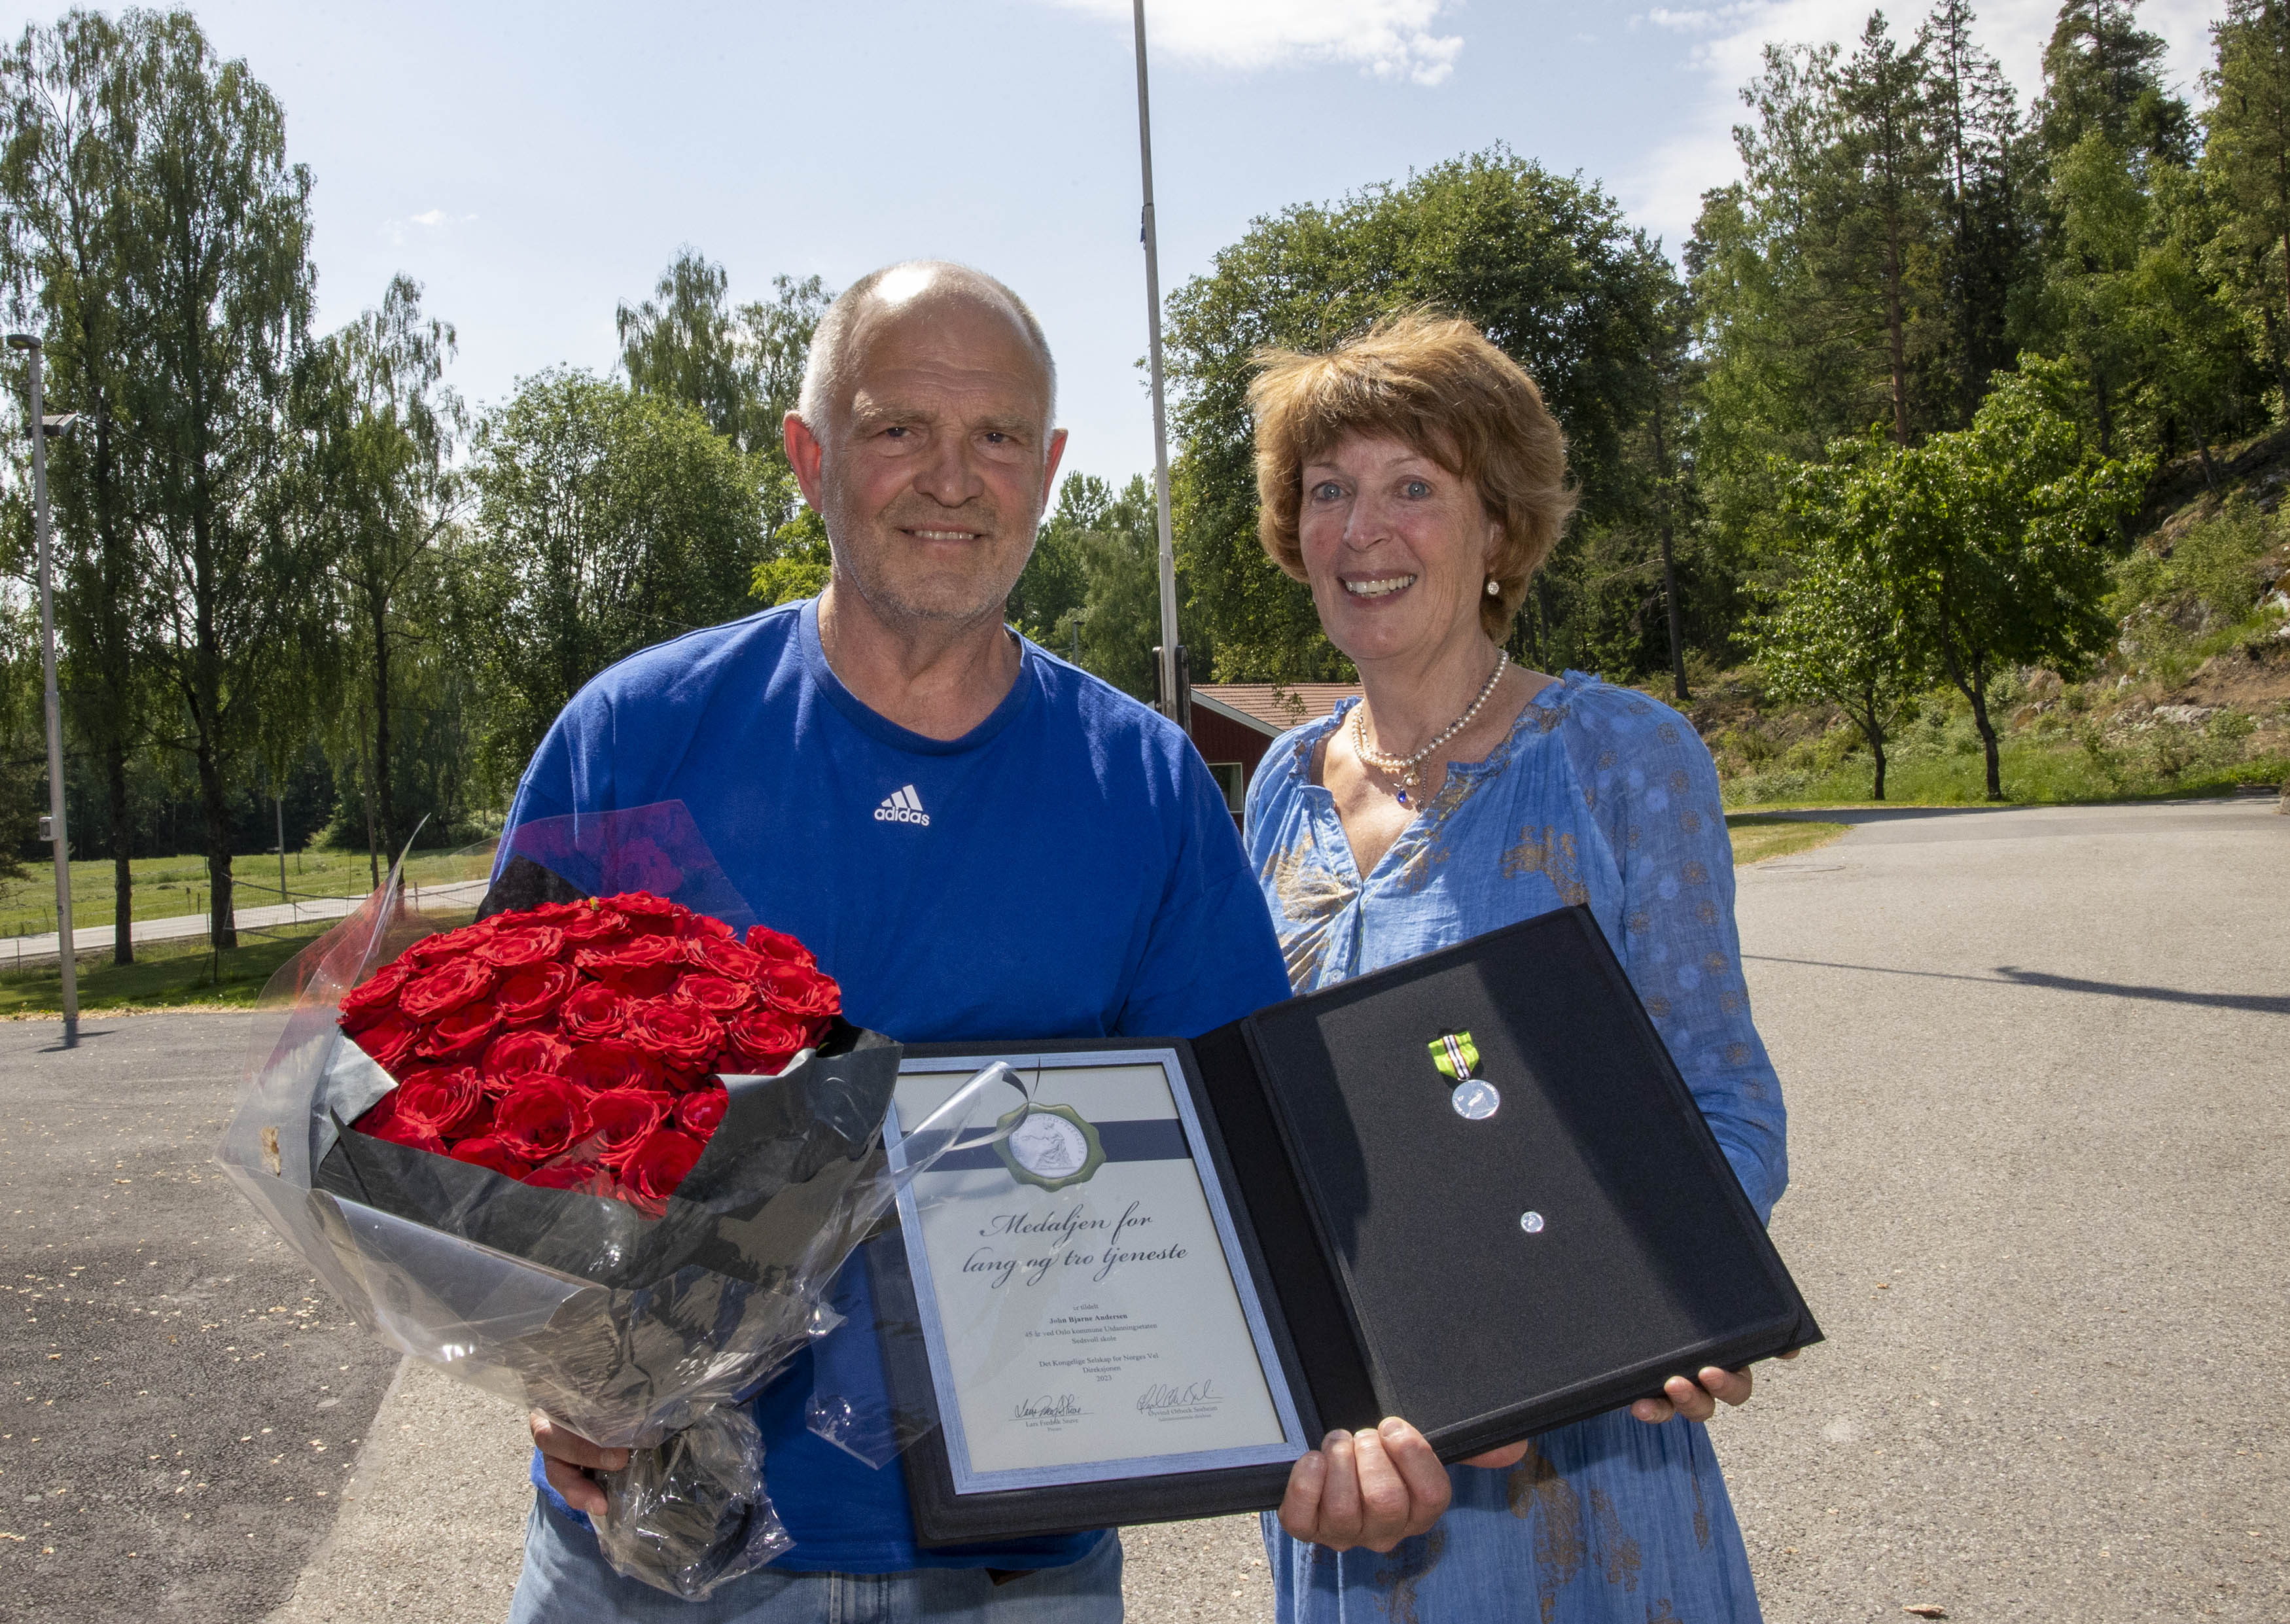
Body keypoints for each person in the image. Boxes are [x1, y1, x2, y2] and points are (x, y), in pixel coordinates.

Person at [499, 260, 1295, 1621]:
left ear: (1046, 470)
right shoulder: (634, 736)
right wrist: (550, 1365)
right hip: (656, 1557)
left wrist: (1364, 1388)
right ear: (811, 457)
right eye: (896, 429)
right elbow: (485, 1122)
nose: (951, 476)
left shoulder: (1146, 785)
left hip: (1016, 1566)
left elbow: (1252, 1150)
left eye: (994, 436)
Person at [1239, 311, 1793, 1623]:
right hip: (1353, 1463)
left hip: (1576, 1461)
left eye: (1413, 487)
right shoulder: (1275, 785)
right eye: (1329, 491)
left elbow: (1723, 1098)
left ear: (1500, 527)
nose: (1364, 531)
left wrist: (1653, 1304)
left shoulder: (1619, 757)